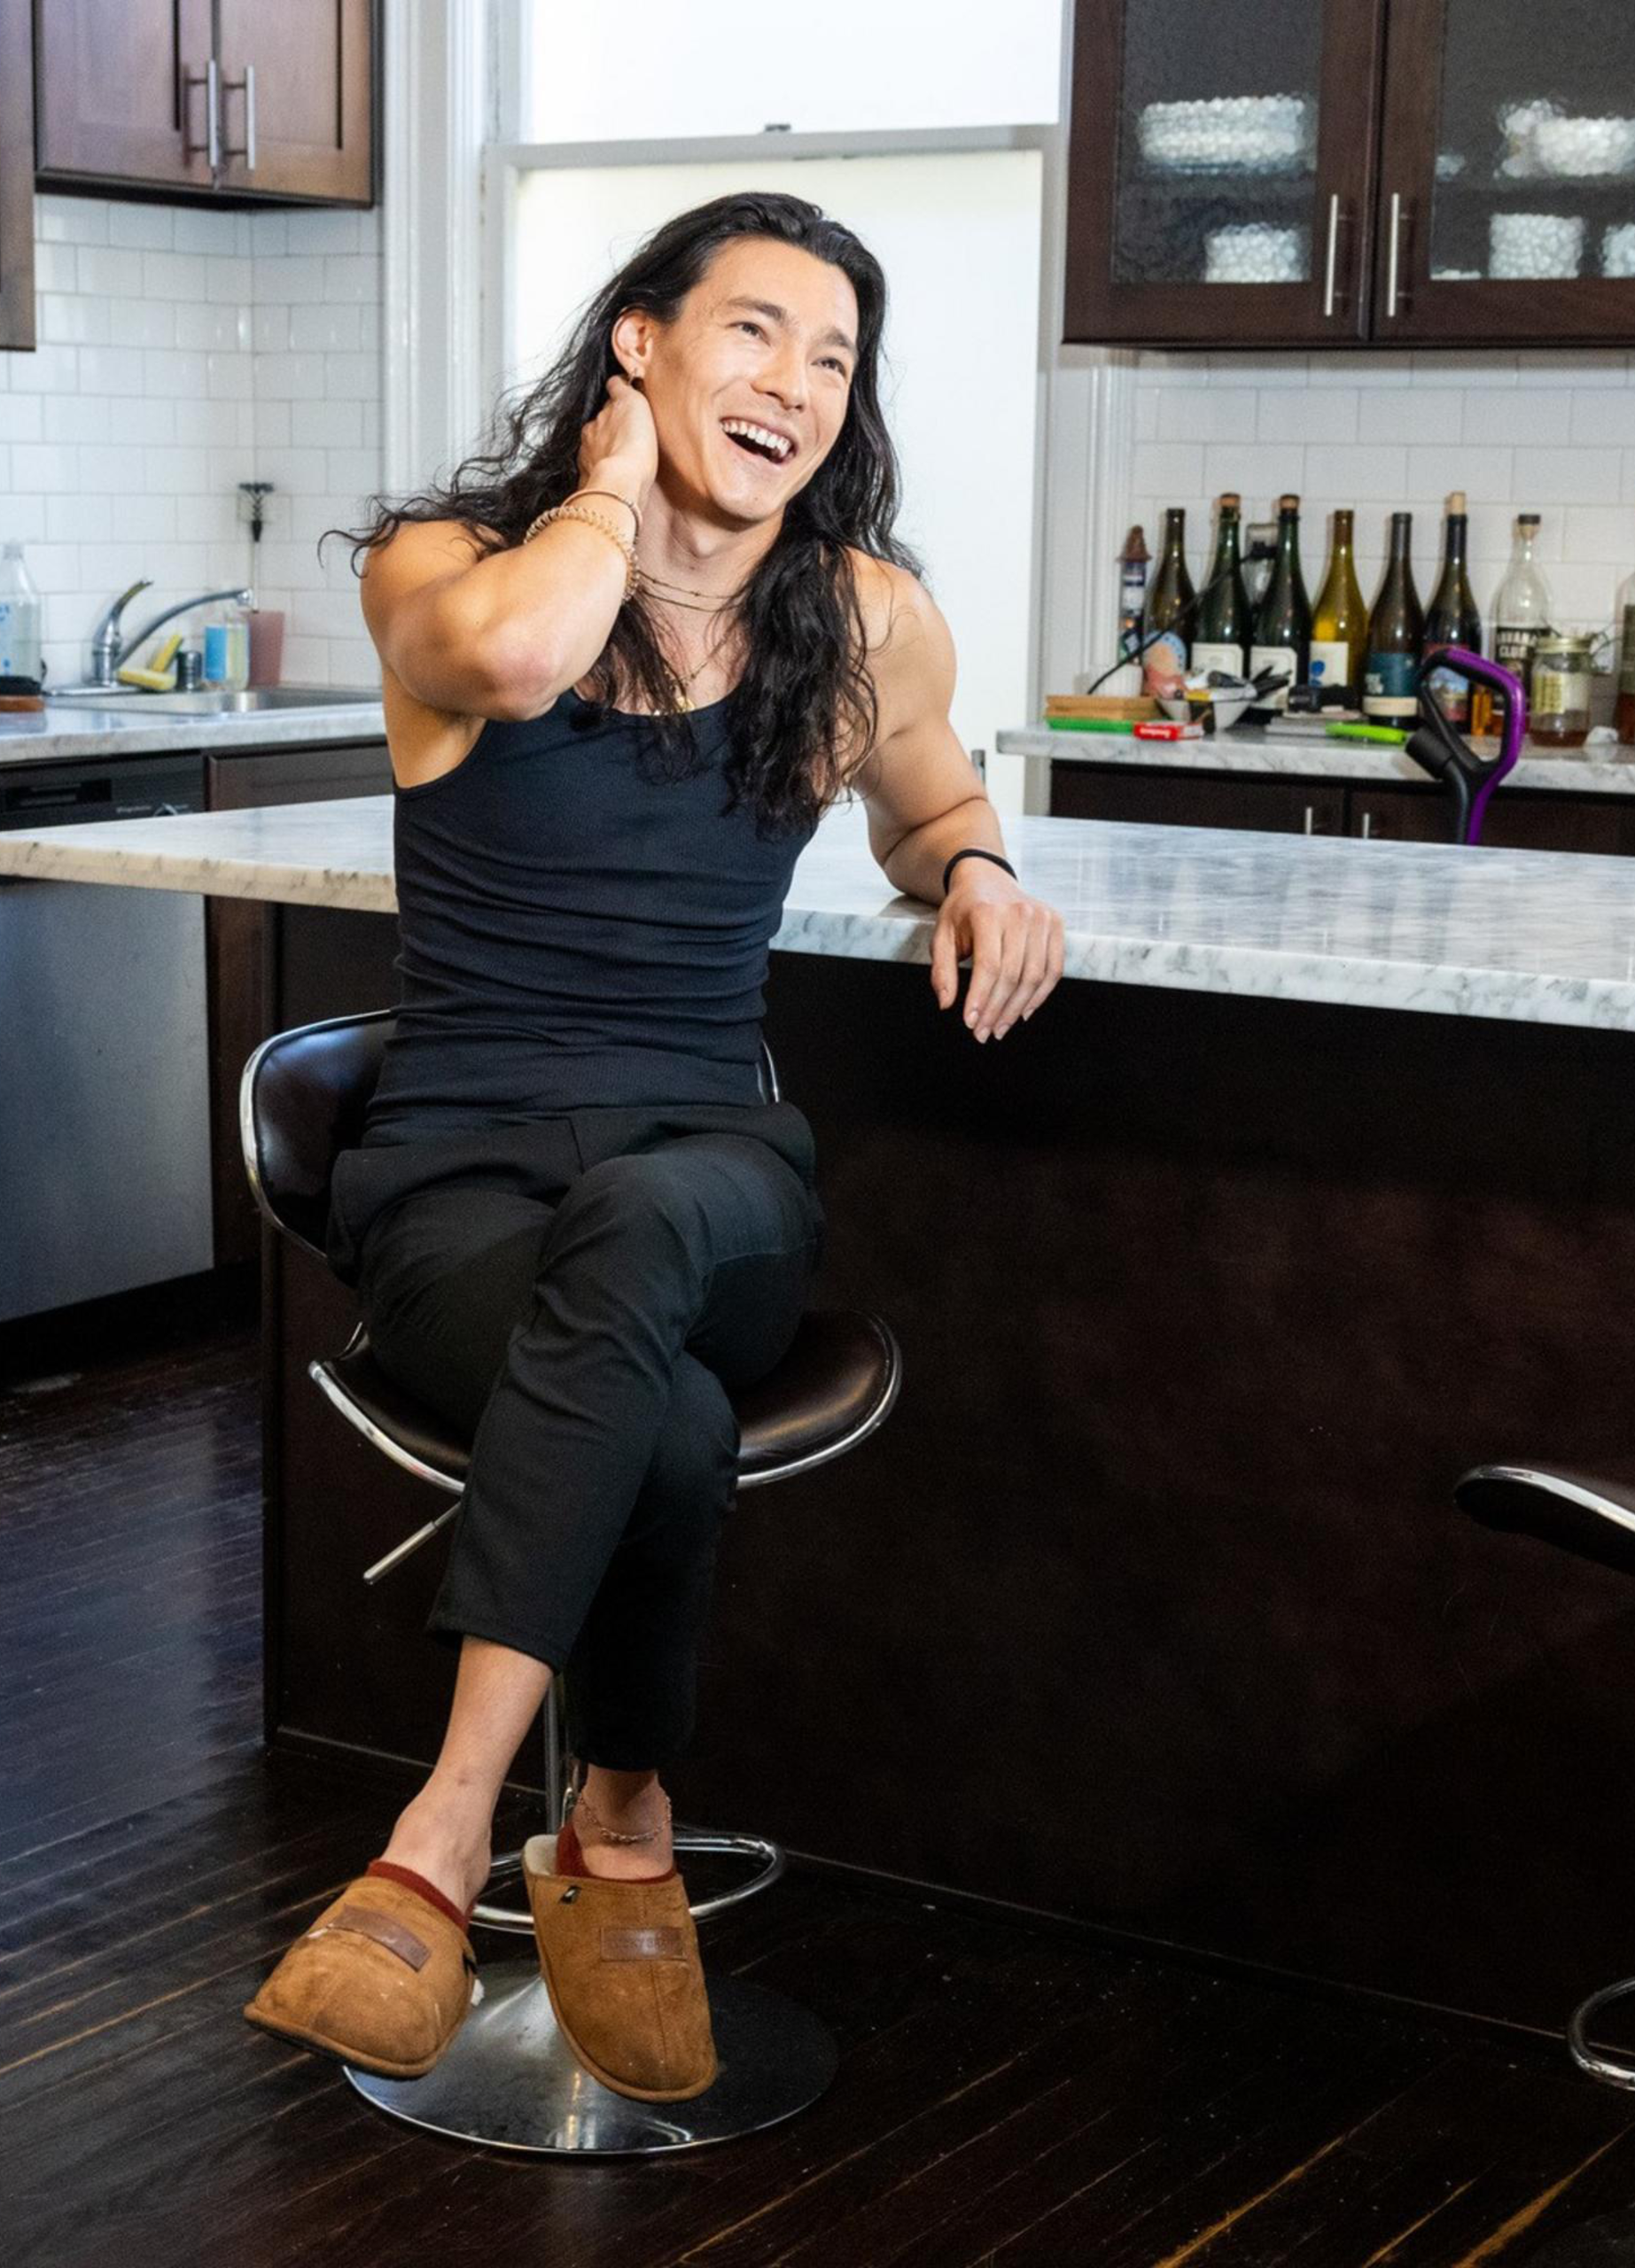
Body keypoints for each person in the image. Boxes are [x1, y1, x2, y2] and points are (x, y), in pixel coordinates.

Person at [242, 192, 1064, 2104]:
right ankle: (619, 1818)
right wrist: (613, 498)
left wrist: (980, 868)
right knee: (667, 1417)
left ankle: (437, 1838)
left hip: (719, 1170)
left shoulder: (859, 611)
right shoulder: (452, 565)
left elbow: (929, 785)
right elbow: (526, 661)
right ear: (642, 341)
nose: (795, 384)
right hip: (455, 1180)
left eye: (834, 359)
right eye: (754, 332)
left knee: (643, 1225)